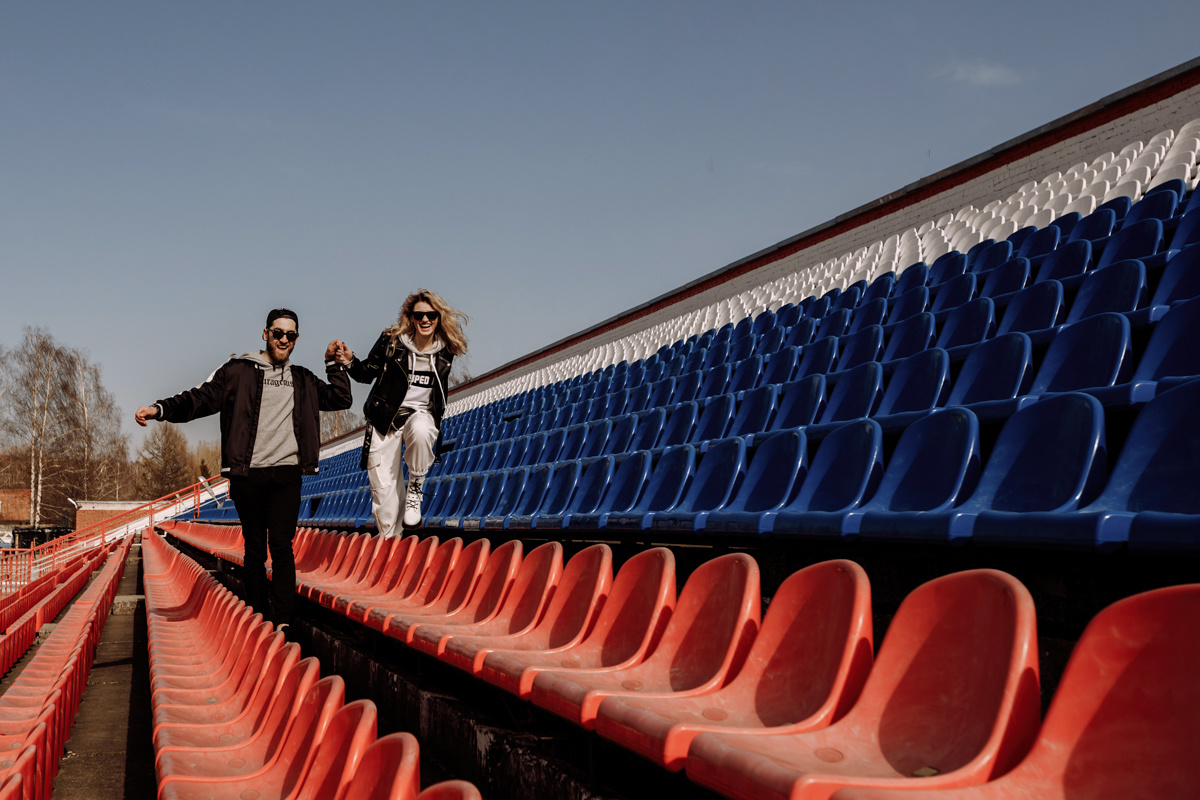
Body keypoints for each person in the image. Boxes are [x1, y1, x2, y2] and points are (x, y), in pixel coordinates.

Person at [135, 308, 353, 630]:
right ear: (265, 334)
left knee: (282, 548)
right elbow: (199, 399)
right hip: (247, 474)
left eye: (290, 335)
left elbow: (340, 398)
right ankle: (258, 617)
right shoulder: (237, 371)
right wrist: (161, 409)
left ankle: (283, 622)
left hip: (286, 474)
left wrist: (334, 365)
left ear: (296, 339)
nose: (283, 339)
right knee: (254, 550)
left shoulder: (303, 379)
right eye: (277, 333)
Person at [347, 289, 468, 536]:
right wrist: (349, 361)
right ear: (410, 317)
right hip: (385, 420)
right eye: (419, 315)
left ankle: (416, 488)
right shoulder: (392, 341)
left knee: (422, 429)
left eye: (431, 315)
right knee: (385, 502)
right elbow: (366, 373)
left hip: (420, 415)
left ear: (438, 318)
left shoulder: (445, 349)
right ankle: (392, 543)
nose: (425, 320)